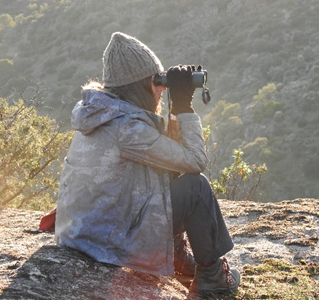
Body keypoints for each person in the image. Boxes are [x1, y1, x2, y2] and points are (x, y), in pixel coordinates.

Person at [55, 32, 240, 298]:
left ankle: (176, 255)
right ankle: (214, 283)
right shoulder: (127, 128)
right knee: (196, 187)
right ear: (137, 86)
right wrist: (184, 104)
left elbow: (171, 156)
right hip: (108, 243)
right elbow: (195, 161)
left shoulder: (103, 112)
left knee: (169, 171)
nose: (163, 88)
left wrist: (175, 106)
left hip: (87, 232)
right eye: (157, 82)